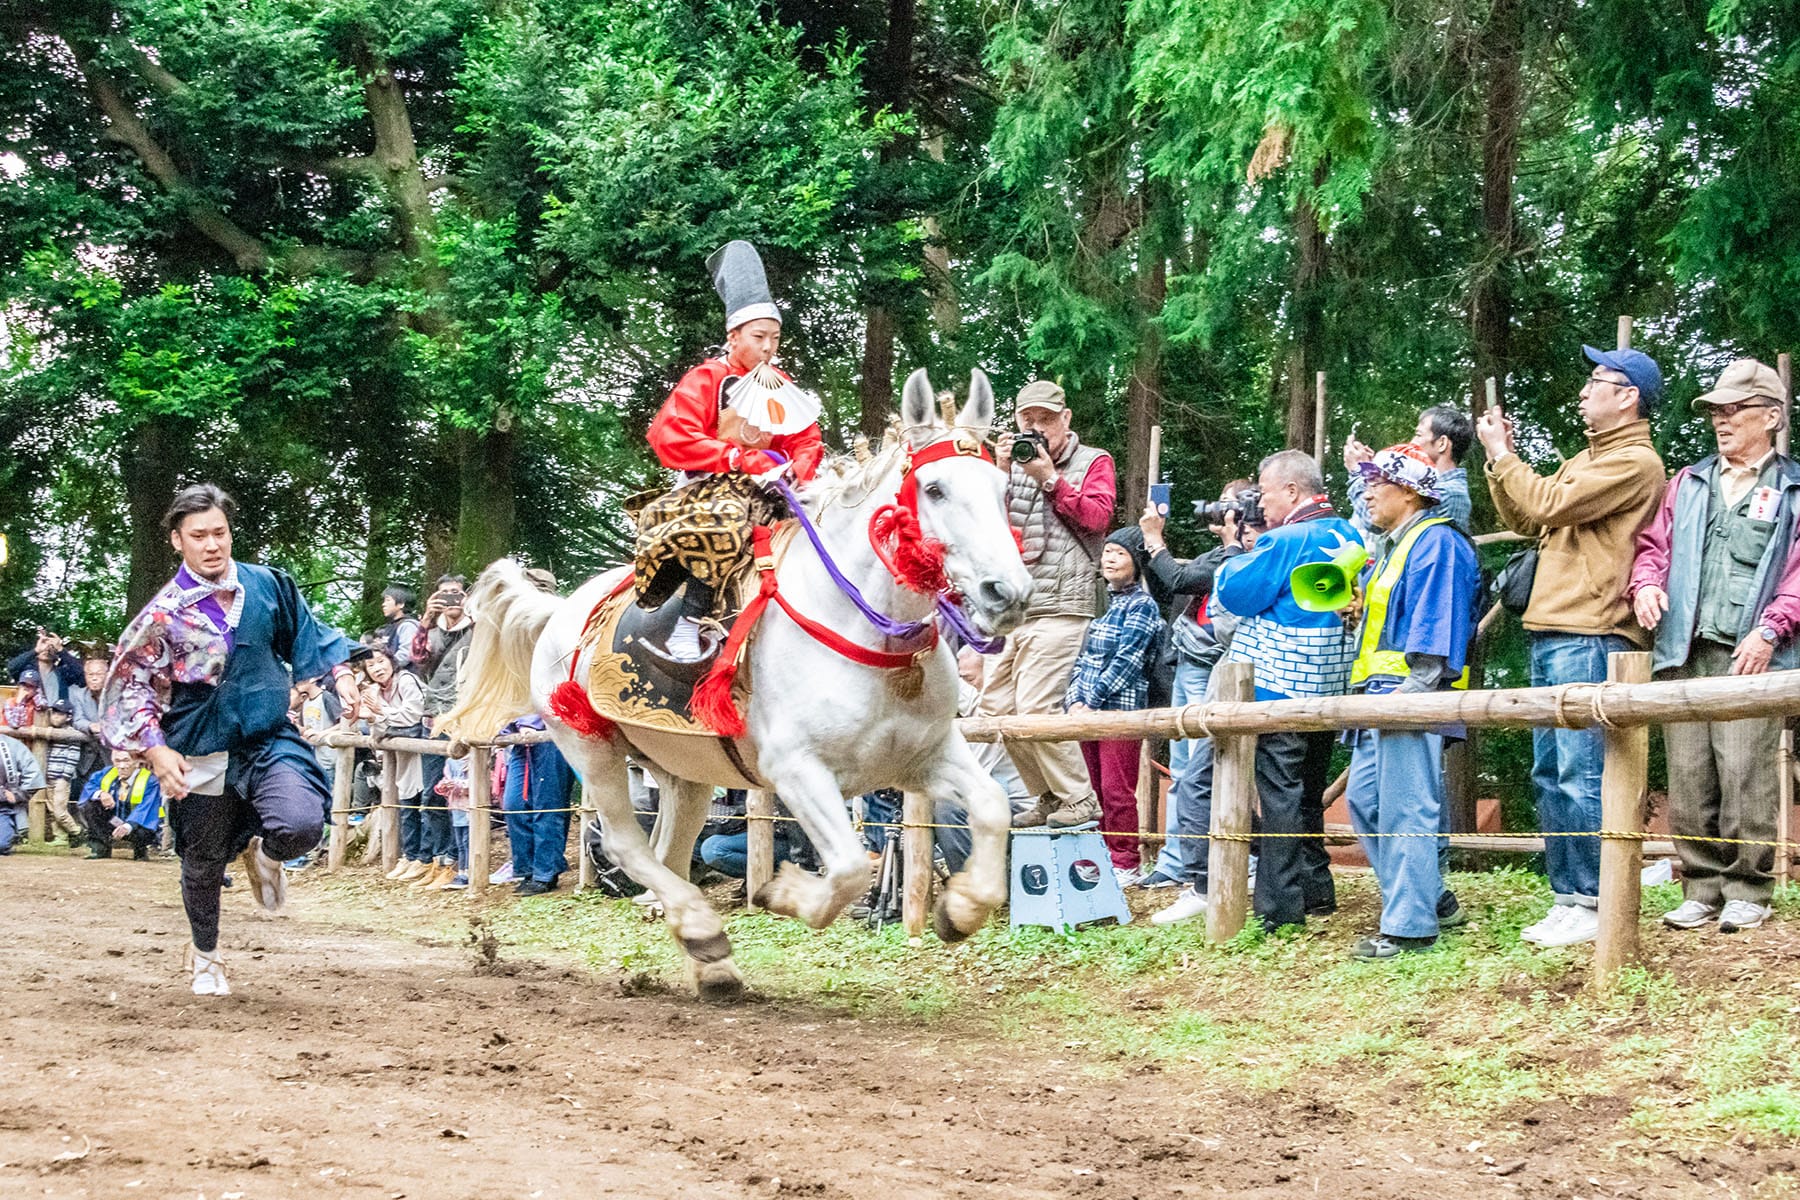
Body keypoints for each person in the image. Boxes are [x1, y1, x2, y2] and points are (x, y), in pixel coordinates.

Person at [100, 483, 364, 996]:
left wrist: (341, 674)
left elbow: (309, 634)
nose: (212, 544)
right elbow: (130, 686)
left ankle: (266, 855)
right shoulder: (161, 615)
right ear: (178, 540)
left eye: (219, 532)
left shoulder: (268, 585)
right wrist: (154, 748)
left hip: (267, 734)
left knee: (303, 823)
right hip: (199, 742)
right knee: (202, 861)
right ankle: (205, 956)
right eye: (198, 535)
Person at [1477, 343, 1666, 948]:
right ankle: (1569, 896)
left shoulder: (1634, 463)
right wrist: (1498, 463)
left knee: (1579, 771)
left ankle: (1591, 897)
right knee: (1550, 770)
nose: (1584, 392)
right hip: (1556, 626)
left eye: (1595, 382)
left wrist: (1506, 455)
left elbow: (1548, 502)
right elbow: (1531, 518)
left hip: (1590, 628)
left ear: (1628, 396)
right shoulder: (1589, 458)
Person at [1154, 450, 1360, 930]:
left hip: (1279, 686)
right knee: (1308, 790)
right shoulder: (1346, 532)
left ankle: (1280, 907)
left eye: (1264, 493)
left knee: (1280, 796)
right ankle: (1315, 889)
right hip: (1328, 682)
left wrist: (1234, 556)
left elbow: (1236, 592)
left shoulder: (1286, 539)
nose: (1258, 505)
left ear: (1291, 491)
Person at [1630, 358, 1799, 934]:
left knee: (1746, 772)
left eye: (1735, 410)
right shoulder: (1688, 481)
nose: (1721, 421)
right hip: (1684, 651)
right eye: (1716, 412)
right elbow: (1652, 546)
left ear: (1771, 416)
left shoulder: (1794, 487)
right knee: (1689, 774)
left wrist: (1772, 627)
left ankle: (1750, 887)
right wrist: (1647, 582)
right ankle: (1701, 886)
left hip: (1754, 655)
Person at [636, 240, 824, 662]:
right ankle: (689, 625)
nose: (768, 347)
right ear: (733, 335)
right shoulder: (708, 378)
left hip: (776, 488)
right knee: (726, 519)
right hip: (711, 489)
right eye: (758, 337)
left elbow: (806, 437)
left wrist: (800, 467)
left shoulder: (782, 382)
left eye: (775, 338)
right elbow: (672, 437)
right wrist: (738, 458)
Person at [1341, 445, 1480, 959]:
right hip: (1380, 697)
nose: (1367, 493)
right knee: (1367, 801)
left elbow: (1437, 622)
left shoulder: (1437, 542)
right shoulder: (1396, 546)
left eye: (1377, 483)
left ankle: (1409, 926)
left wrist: (1415, 692)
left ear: (1410, 491)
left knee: (1406, 808)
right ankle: (1430, 897)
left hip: (1409, 697)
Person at [985, 380, 1118, 829]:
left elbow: (1099, 518)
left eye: (1045, 419)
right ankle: (1047, 795)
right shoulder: (1010, 465)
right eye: (1028, 420)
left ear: (1066, 419)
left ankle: (1080, 799)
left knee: (1036, 709)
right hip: (1015, 608)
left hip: (1063, 604)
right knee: (997, 710)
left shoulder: (1094, 461)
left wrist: (1050, 479)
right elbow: (984, 529)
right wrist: (1000, 474)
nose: (1037, 428)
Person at [1135, 479, 1253, 888]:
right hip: (1186, 662)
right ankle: (1176, 860)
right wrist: (1153, 545)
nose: (1217, 511)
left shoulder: (1242, 555)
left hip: (1214, 666)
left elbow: (1182, 580)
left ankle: (1225, 859)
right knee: (1182, 768)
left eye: (1227, 505)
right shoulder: (1217, 552)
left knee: (1210, 768)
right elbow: (1169, 577)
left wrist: (1155, 541)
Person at [1063, 527, 1165, 883]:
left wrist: (1091, 701)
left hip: (1121, 710)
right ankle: (1095, 860)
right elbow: (1081, 657)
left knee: (1116, 789)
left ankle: (1125, 860)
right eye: (1107, 551)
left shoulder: (1142, 605)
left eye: (1119, 553)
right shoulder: (1100, 602)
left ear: (1136, 562)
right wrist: (1074, 700)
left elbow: (1128, 662)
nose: (1109, 558)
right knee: (1089, 789)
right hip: (1085, 711)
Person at [1344, 405, 1475, 550]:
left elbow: (1374, 521)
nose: (1412, 442)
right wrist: (1378, 475)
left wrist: (1357, 473)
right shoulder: (1445, 487)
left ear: (1442, 443)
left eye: (1418, 435)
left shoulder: (1448, 493)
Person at [350, 647, 430, 884]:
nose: (377, 668)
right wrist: (374, 718)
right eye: (371, 665)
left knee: (425, 804)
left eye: (380, 661)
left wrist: (379, 714)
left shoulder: (406, 681)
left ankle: (425, 858)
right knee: (406, 804)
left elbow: (413, 715)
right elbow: (377, 733)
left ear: (391, 661)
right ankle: (410, 855)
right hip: (400, 756)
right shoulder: (374, 691)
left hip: (424, 748)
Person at [412, 575, 473, 881]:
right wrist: (425, 620)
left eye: (457, 594)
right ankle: (439, 858)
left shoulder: (478, 630)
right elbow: (418, 661)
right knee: (433, 791)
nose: (451, 599)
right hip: (433, 717)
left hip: (462, 717)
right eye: (444, 594)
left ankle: (458, 860)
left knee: (461, 793)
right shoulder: (431, 632)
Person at [498, 714, 576, 895]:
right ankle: (527, 869)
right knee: (514, 804)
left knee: (547, 805)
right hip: (518, 739)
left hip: (552, 734)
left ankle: (545, 873)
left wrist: (531, 722)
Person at [77, 749, 164, 860]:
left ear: (137, 762)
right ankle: (100, 848)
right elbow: (90, 786)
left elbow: (146, 807)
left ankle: (140, 850)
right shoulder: (107, 773)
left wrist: (128, 826)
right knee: (91, 805)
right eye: (117, 761)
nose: (122, 766)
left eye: (126, 760)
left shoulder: (150, 780)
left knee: (144, 829)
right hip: (113, 819)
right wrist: (101, 794)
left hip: (136, 824)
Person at [41, 699, 88, 849]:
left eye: (59, 714)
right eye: (54, 712)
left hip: (61, 778)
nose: (55, 716)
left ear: (68, 717)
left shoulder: (72, 735)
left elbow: (72, 758)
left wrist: (64, 777)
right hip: (48, 776)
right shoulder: (49, 732)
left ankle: (77, 832)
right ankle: (60, 837)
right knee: (51, 809)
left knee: (60, 810)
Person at [0, 731, 47, 854]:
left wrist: (17, 794)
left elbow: (33, 775)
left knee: (1, 845)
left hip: (3, 807)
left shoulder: (12, 746)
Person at [9, 627, 83, 703]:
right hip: (31, 712)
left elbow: (82, 676)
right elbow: (12, 667)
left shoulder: (63, 673)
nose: (46, 649)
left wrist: (61, 650)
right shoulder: (27, 671)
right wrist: (36, 650)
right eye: (43, 644)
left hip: (57, 713)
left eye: (51, 646)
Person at [375, 586, 422, 673]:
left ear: (401, 604)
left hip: (405, 679)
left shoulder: (408, 626)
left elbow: (406, 654)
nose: (383, 604)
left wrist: (386, 668)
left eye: (388, 600)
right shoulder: (391, 626)